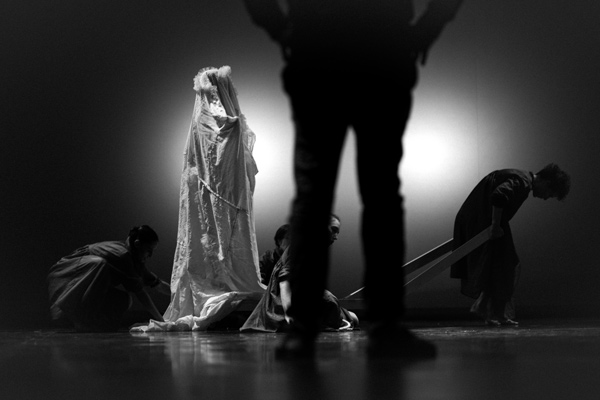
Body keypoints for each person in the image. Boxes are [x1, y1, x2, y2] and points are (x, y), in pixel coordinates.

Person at [243, 0, 464, 358]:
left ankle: (306, 330)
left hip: (323, 53)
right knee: (380, 197)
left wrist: (281, 29)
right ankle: (384, 325)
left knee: (318, 198)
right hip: (380, 53)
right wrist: (426, 29)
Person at [450, 164, 571, 326]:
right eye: (549, 193)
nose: (545, 197)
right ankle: (491, 310)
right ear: (546, 182)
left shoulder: (522, 179)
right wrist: (495, 225)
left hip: (477, 217)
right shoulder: (523, 182)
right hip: (481, 220)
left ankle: (488, 308)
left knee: (501, 264)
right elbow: (499, 195)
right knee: (508, 265)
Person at [241, 214, 359, 332]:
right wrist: (289, 313)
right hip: (285, 304)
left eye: (337, 232)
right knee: (335, 305)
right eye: (333, 230)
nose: (336, 236)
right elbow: (285, 282)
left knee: (350, 316)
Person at [47, 225, 170, 332]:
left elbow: (157, 283)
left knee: (123, 299)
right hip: (67, 276)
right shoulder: (122, 255)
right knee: (99, 263)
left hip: (84, 283)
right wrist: (161, 320)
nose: (150, 255)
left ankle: (97, 324)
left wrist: (179, 295)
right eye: (148, 250)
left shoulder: (134, 260)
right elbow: (141, 294)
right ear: (137, 244)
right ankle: (83, 320)